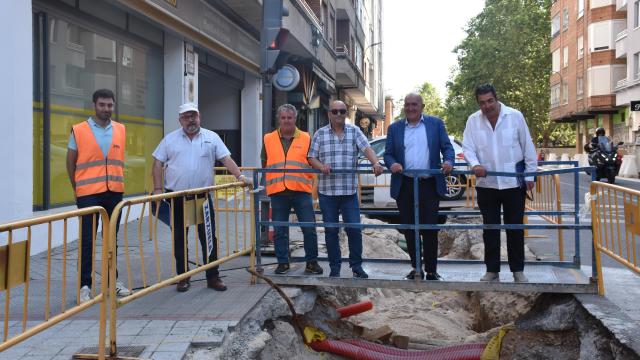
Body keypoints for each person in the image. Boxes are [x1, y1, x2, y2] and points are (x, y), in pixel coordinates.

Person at [152, 103, 251, 292]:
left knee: (208, 238)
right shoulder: (170, 140)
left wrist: (240, 176)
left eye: (194, 116)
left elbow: (226, 159)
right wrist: (157, 189)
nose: (191, 120)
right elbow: (157, 163)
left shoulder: (211, 137)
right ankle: (183, 277)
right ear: (180, 119)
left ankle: (213, 277)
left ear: (199, 117)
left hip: (203, 198)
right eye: (187, 116)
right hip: (178, 197)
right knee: (179, 239)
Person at [461, 84, 537, 283]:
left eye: (490, 101)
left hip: (513, 184)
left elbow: (527, 147)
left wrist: (530, 176)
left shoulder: (515, 116)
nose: (487, 106)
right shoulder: (473, 121)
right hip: (487, 185)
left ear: (497, 98)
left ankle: (518, 271)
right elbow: (467, 148)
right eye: (482, 103)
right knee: (490, 229)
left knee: (515, 229)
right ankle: (492, 270)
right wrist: (475, 164)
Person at [66, 88, 131, 302]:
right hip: (88, 194)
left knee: (112, 240)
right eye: (102, 105)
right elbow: (71, 162)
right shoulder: (79, 130)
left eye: (110, 105)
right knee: (88, 241)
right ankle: (85, 285)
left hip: (114, 191)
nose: (106, 109)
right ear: (94, 105)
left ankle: (113, 282)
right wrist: (78, 190)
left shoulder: (120, 129)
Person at [308, 100, 384, 278]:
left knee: (354, 229)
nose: (339, 115)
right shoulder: (320, 134)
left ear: (346, 114)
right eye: (335, 111)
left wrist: (376, 162)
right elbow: (311, 157)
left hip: (349, 192)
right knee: (331, 231)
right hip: (328, 192)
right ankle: (335, 268)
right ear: (329, 114)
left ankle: (356, 266)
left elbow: (367, 148)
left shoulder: (354, 131)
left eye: (342, 111)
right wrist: (321, 167)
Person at [383, 92, 454, 281]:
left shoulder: (435, 124)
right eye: (407, 104)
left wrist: (448, 161)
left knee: (430, 228)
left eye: (414, 104)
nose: (411, 108)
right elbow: (388, 154)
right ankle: (416, 268)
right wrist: (392, 164)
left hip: (429, 184)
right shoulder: (395, 128)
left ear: (422, 106)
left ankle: (431, 270)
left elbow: (447, 147)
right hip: (405, 185)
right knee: (409, 228)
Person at [261, 104, 322, 275]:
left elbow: (313, 160)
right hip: (278, 191)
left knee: (309, 228)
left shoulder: (306, 138)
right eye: (283, 117)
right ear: (279, 119)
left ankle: (312, 262)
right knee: (280, 229)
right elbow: (264, 162)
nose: (286, 121)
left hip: (301, 190)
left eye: (289, 117)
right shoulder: (268, 138)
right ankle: (283, 263)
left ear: (295, 119)